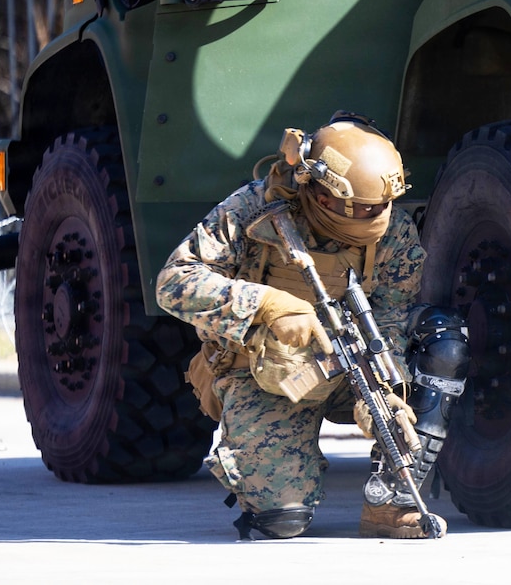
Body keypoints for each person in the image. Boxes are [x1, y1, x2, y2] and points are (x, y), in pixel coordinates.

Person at [156, 112, 470, 539]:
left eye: (381, 206)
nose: (374, 216)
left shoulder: (393, 232)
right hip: (269, 374)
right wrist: (265, 303)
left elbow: (393, 318)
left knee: (441, 341)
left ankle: (391, 503)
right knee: (280, 519)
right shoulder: (255, 209)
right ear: (321, 194)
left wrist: (389, 390)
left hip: (353, 362)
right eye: (360, 209)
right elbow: (174, 283)